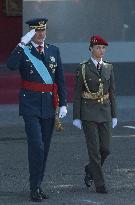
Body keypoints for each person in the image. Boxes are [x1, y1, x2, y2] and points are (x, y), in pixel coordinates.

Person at [7, 17, 67, 202]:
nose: (41, 34)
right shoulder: (24, 50)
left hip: (49, 105)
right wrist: (21, 43)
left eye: (44, 30)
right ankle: (34, 187)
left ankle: (38, 185)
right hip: (30, 105)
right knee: (37, 146)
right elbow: (11, 65)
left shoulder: (53, 50)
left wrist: (63, 103)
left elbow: (60, 79)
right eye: (37, 31)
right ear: (32, 33)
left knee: (45, 148)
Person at [73, 35, 117, 194]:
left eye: (103, 48)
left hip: (104, 111)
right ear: (91, 49)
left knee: (105, 149)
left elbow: (112, 92)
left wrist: (114, 114)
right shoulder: (83, 68)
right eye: (98, 47)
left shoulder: (108, 67)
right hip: (88, 112)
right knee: (94, 150)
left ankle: (90, 169)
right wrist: (76, 116)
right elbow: (77, 93)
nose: (101, 51)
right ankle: (100, 184)